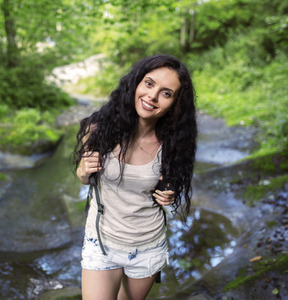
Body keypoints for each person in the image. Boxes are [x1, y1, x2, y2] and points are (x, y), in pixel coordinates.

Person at [72, 54, 197, 300]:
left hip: (148, 246)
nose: (152, 96)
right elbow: (84, 178)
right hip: (102, 241)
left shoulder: (173, 143)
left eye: (166, 93)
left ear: (175, 104)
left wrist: (168, 196)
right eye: (149, 84)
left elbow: (170, 189)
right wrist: (83, 171)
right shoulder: (98, 129)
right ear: (136, 83)